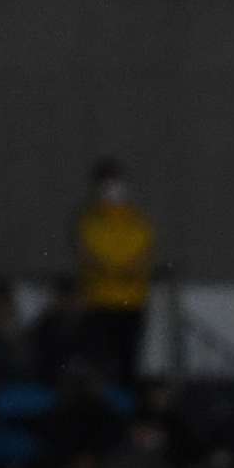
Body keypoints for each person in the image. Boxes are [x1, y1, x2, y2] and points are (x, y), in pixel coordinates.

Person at [71, 159, 155, 382]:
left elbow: (143, 256)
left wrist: (113, 270)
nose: (112, 190)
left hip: (131, 303)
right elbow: (87, 255)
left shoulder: (137, 221)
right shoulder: (89, 222)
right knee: (99, 361)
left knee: (128, 362)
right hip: (99, 302)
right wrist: (116, 270)